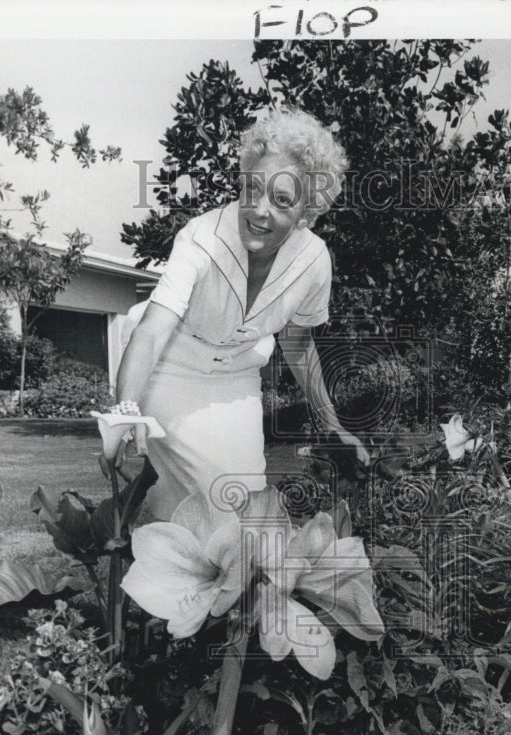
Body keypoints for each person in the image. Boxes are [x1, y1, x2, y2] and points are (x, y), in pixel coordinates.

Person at [113, 107, 368, 521]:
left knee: (247, 501)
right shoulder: (201, 237)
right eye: (253, 189)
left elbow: (298, 345)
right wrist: (126, 409)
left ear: (306, 212)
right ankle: (158, 516)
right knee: (215, 502)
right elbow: (153, 331)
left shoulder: (314, 261)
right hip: (169, 365)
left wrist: (332, 423)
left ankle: (154, 513)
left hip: (236, 374)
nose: (259, 210)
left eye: (281, 200)